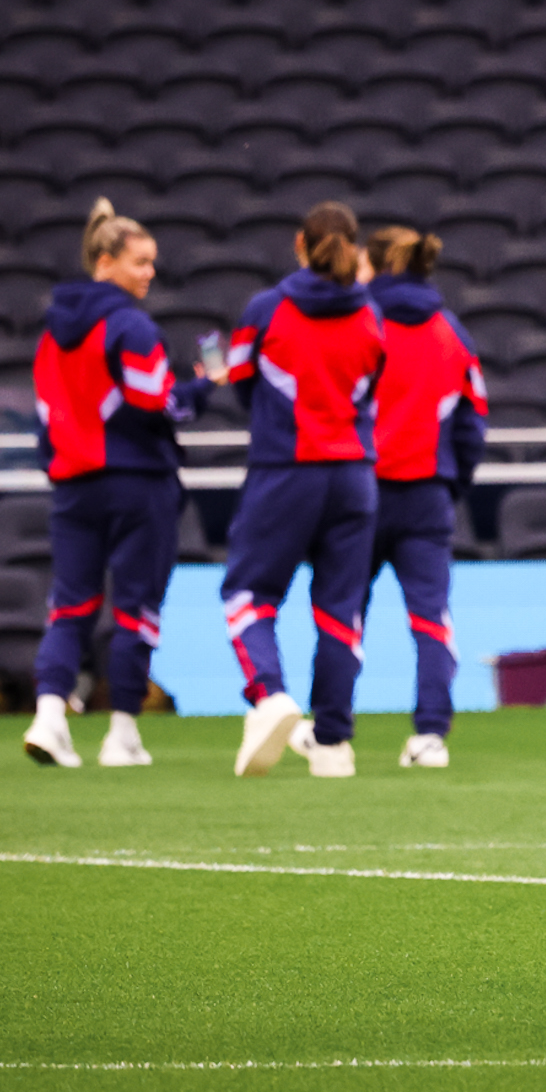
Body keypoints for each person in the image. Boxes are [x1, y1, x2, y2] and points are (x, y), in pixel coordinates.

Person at [26, 199, 212, 769]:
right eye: (141, 262)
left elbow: (43, 416)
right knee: (136, 609)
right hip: (138, 484)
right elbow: (154, 403)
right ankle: (122, 733)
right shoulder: (131, 325)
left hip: (74, 486)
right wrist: (203, 389)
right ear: (105, 261)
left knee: (70, 605)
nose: (150, 274)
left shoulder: (51, 334)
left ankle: (51, 717)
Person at [221, 201, 386, 781]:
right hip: (354, 475)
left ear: (300, 244)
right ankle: (334, 744)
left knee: (247, 595)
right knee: (341, 612)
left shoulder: (265, 309)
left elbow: (240, 382)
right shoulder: (370, 315)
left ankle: (270, 696)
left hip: (285, 469)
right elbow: (372, 387)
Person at [343, 225, 489, 771]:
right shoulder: (450, 331)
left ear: (374, 267)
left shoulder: (357, 322)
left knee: (342, 614)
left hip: (359, 488)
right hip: (428, 493)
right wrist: (455, 478)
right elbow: (475, 417)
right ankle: (431, 736)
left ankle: (331, 734)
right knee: (431, 618)